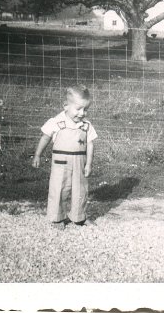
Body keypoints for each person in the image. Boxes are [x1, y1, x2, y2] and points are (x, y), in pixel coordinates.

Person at [32, 85, 98, 227]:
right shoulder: (56, 122)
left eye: (85, 109)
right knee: (59, 188)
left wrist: (89, 164)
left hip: (80, 161)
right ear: (66, 106)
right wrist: (38, 155)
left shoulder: (86, 125)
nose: (82, 113)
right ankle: (57, 218)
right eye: (78, 109)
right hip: (61, 161)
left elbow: (90, 144)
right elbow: (45, 138)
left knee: (81, 189)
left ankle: (79, 216)